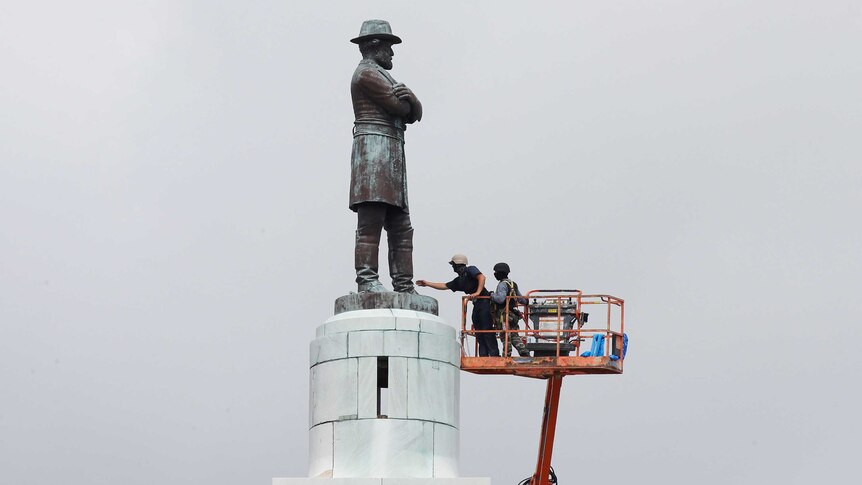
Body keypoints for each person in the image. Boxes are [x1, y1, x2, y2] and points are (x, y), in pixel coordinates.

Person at [348, 20, 423, 293]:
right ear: (375, 45)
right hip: (372, 154)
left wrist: (413, 101)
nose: (392, 53)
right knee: (371, 221)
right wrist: (411, 101)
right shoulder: (367, 75)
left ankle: (404, 286)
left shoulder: (380, 73)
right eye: (389, 47)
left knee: (401, 225)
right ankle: (367, 281)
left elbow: (413, 114)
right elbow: (400, 107)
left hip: (391, 154)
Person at [416, 254, 500, 357]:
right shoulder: (460, 280)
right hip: (477, 303)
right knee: (478, 329)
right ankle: (483, 354)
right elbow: (444, 286)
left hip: (485, 301)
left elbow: (482, 277)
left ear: (456, 264)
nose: (452, 267)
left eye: (453, 265)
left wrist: (478, 292)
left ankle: (494, 354)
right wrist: (427, 283)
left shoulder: (470, 270)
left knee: (486, 328)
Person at [489, 262, 530, 357]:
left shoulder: (502, 285)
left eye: (496, 272)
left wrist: (491, 295)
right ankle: (523, 351)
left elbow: (500, 299)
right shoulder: (513, 284)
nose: (494, 274)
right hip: (513, 315)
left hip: (504, 316)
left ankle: (506, 355)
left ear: (500, 273)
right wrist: (526, 302)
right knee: (514, 335)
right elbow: (521, 298)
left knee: (505, 335)